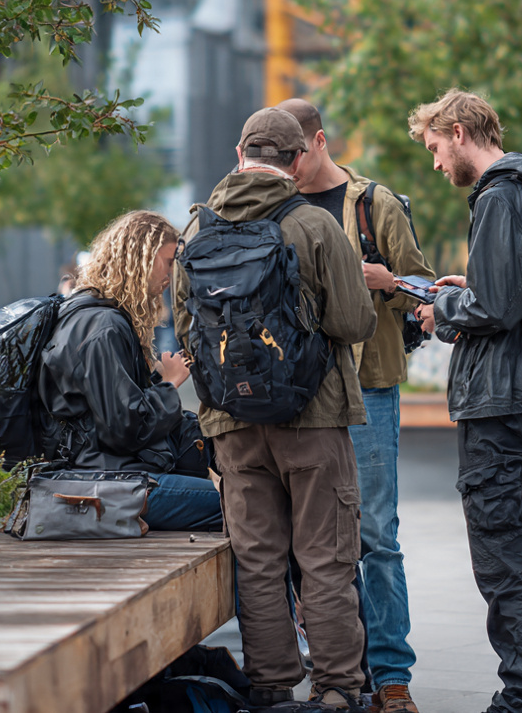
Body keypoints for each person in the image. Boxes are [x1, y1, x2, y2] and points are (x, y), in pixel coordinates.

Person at [171, 108, 378, 709]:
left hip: (232, 424)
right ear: (297, 160)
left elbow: (185, 329)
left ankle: (270, 686)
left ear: (240, 155)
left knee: (257, 561)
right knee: (326, 558)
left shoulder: (196, 229)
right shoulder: (313, 224)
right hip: (312, 418)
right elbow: (353, 321)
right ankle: (335, 689)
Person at [408, 89, 522, 713]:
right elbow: (510, 296)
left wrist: (441, 309)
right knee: (516, 545)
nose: (436, 163)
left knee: (506, 555)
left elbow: (496, 308)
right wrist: (466, 288)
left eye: (435, 148)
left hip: (497, 403)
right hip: (515, 395)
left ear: (458, 131)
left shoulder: (499, 196)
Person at [276, 98, 435, 713]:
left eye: (294, 154)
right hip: (300, 395)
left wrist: (387, 283)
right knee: (312, 540)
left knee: (375, 536)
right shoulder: (271, 203)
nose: (287, 166)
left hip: (367, 388)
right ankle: (342, 671)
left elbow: (423, 291)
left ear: (318, 142)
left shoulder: (374, 204)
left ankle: (392, 678)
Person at [37, 211, 223, 532]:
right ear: (141, 260)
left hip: (109, 474)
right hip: (111, 484)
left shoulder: (92, 315)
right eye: (167, 262)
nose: (171, 274)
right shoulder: (104, 327)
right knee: (245, 507)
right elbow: (124, 429)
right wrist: (169, 384)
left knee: (242, 491)